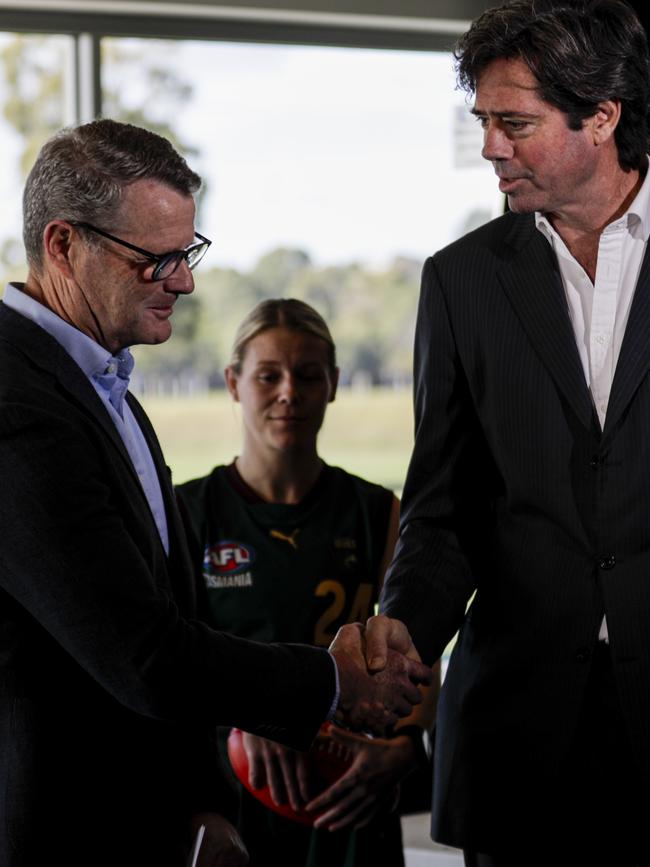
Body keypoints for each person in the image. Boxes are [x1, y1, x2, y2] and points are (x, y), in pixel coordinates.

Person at [0, 119, 432, 867]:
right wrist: (331, 679)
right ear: (63, 244)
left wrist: (204, 805)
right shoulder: (18, 400)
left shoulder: (108, 387)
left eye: (189, 251)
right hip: (60, 832)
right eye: (157, 258)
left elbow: (172, 619)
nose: (186, 280)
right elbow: (142, 653)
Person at [363, 0, 650, 864]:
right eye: (484, 121)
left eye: (514, 123)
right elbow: (443, 507)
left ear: (602, 117)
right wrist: (401, 631)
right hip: (517, 731)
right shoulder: (461, 282)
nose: (491, 146)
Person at [177, 298, 439, 867]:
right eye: (268, 375)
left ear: (335, 383)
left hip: (350, 801)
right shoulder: (187, 514)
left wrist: (400, 751)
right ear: (233, 382)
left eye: (309, 374)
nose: (289, 392)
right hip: (231, 798)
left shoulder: (378, 512)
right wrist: (256, 716)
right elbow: (165, 663)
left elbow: (418, 652)